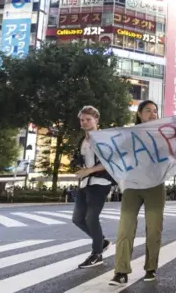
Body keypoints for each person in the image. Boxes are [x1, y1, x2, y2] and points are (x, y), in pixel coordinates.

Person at [109, 100, 164, 286]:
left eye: (155, 111)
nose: (152, 113)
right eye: (148, 110)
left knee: (154, 228)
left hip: (155, 185)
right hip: (132, 185)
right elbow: (115, 154)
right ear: (139, 114)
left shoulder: (162, 135)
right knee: (125, 228)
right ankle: (121, 271)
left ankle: (151, 268)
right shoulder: (128, 136)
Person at [71, 105, 114, 269]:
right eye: (82, 120)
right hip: (84, 183)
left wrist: (89, 170)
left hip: (100, 183)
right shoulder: (81, 141)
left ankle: (97, 254)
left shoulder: (103, 139)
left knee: (91, 217)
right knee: (77, 219)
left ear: (96, 120)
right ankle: (101, 242)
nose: (84, 122)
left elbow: (108, 162)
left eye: (88, 119)